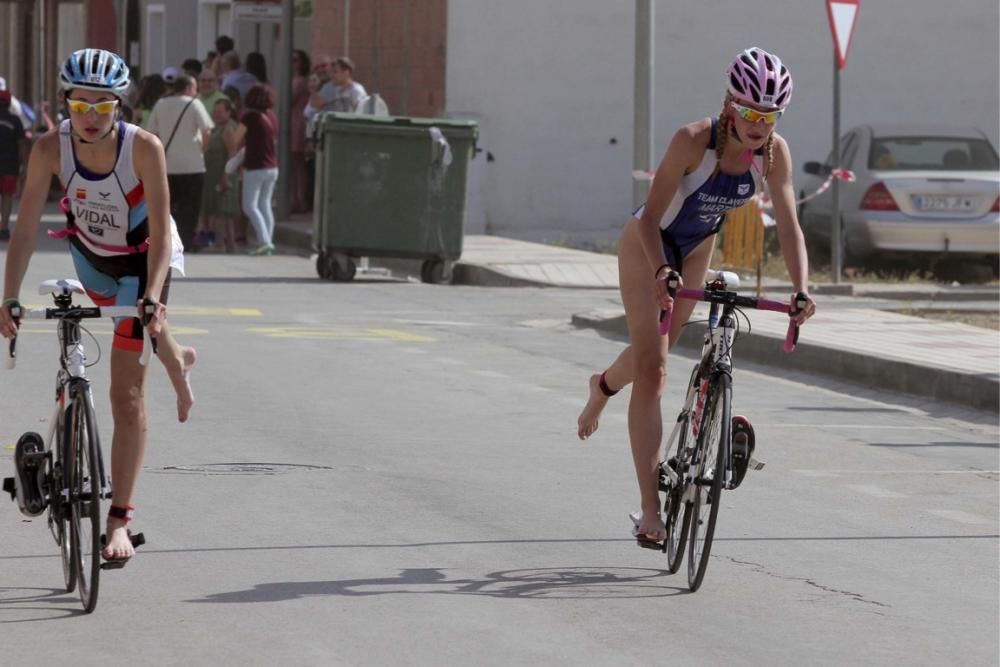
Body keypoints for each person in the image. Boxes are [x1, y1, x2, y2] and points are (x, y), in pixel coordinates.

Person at [575, 47, 817, 545]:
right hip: (649, 245)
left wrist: (800, 290)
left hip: (697, 247)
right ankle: (649, 509)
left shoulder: (774, 154)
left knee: (654, 355)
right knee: (655, 367)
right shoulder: (693, 140)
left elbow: (790, 227)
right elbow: (649, 218)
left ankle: (602, 386)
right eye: (749, 112)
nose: (757, 125)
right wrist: (661, 268)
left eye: (768, 116)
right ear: (731, 103)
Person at [0, 48, 197, 564]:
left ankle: (118, 523)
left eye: (102, 107)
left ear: (120, 107)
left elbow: (157, 233)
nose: (89, 118)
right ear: (64, 102)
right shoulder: (49, 147)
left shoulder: (144, 148)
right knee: (87, 337)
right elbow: (22, 230)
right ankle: (174, 355)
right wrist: (10, 296)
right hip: (91, 259)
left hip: (143, 262)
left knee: (125, 395)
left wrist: (153, 295)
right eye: (79, 106)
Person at [146, 74, 214, 250]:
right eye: (195, 88)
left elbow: (152, 133)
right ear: (189, 88)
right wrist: (201, 150)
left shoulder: (161, 104)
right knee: (190, 207)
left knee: (168, 207)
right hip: (193, 165)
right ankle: (186, 242)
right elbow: (207, 131)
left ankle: (169, 241)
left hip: (167, 165)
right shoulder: (194, 103)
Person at [233, 83, 278, 255]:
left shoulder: (249, 116)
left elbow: (237, 138)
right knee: (265, 204)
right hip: (272, 166)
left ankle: (264, 241)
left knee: (249, 206)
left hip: (254, 166)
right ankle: (268, 241)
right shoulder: (272, 117)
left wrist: (233, 155)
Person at [201, 97, 241, 252]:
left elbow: (232, 154)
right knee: (218, 211)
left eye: (220, 112)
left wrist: (226, 176)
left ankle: (222, 244)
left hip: (224, 174)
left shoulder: (229, 129)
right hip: (212, 174)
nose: (216, 114)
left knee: (223, 212)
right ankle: (228, 245)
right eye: (215, 112)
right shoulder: (216, 128)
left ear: (229, 112)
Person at [0, 90, 29, 241]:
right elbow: (22, 144)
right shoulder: (15, 120)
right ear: (9, 103)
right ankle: (3, 227)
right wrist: (25, 164)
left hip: (8, 165)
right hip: (10, 165)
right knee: (7, 196)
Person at [290, 50, 312, 212]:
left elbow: (290, 100)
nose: (293, 63)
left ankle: (300, 200)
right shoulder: (298, 80)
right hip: (296, 120)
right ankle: (297, 199)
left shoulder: (300, 81)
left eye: (296, 60)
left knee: (297, 163)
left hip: (298, 121)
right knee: (295, 163)